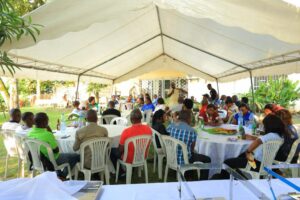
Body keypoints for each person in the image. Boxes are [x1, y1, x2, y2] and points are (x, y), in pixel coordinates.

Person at [212, 114, 284, 179]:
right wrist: (252, 137)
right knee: (239, 157)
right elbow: (263, 140)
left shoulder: (268, 135)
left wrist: (248, 152)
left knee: (227, 162)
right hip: (266, 164)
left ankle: (222, 180)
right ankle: (235, 177)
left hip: (254, 164)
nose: (264, 127)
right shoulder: (279, 137)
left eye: (264, 125)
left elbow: (255, 144)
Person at [28, 112, 79, 178]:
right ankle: (62, 176)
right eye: (47, 121)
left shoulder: (29, 133)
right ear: (45, 122)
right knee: (76, 156)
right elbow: (56, 151)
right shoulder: (47, 134)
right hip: (51, 160)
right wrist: (47, 128)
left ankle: (58, 174)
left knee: (69, 156)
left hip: (37, 159)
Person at [167, 110, 211, 179]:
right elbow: (192, 149)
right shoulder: (192, 131)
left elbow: (168, 138)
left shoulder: (170, 126)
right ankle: (203, 182)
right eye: (190, 118)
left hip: (171, 156)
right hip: (185, 160)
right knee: (207, 159)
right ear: (188, 119)